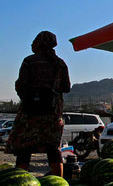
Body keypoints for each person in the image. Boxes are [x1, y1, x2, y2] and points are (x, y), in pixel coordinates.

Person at [5, 31, 71, 177]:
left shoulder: (29, 61)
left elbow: (20, 85)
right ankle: (58, 181)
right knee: (53, 148)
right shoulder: (60, 63)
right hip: (53, 114)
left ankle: (21, 182)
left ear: (38, 44)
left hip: (30, 113)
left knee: (24, 149)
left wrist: (30, 98)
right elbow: (66, 87)